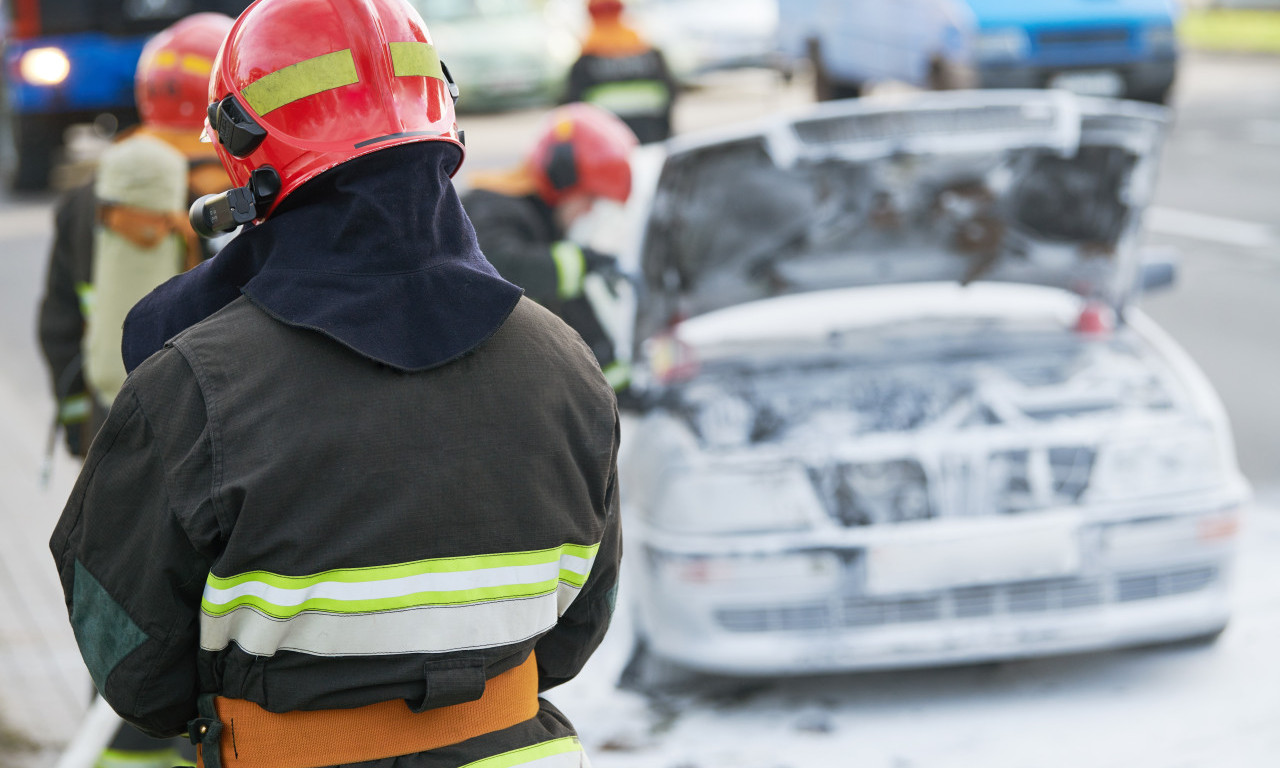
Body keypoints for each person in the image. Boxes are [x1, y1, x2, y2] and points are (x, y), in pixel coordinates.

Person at [50, 2, 620, 768]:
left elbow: (131, 666)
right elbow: (576, 634)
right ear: (441, 130)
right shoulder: (566, 364)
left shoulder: (191, 386)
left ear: (246, 158)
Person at [36, 12, 234, 459]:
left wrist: (78, 431)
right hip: (215, 434)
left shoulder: (94, 192)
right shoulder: (245, 185)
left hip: (116, 429)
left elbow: (59, 324)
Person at [462, 102, 637, 390]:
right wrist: (584, 261)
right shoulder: (492, 208)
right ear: (561, 177)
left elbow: (572, 313)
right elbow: (501, 268)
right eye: (589, 199)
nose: (589, 213)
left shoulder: (544, 229)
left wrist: (620, 383)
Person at [563, 0, 676, 144]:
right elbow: (670, 94)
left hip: (608, 150)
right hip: (653, 141)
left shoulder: (585, 62)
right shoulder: (650, 54)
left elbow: (573, 110)